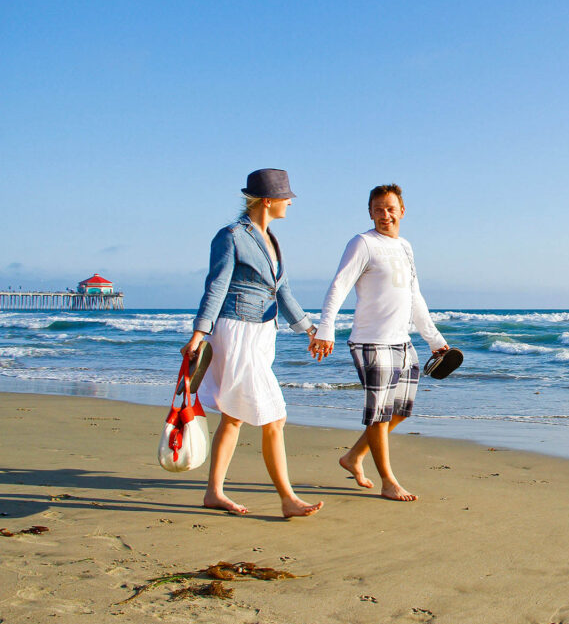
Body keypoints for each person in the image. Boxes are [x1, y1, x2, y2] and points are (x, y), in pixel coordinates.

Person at [181, 168, 323, 518]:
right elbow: (215, 287)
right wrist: (199, 334)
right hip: (236, 331)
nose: (290, 202)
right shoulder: (230, 236)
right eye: (286, 196)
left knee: (233, 417)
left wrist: (309, 329)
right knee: (275, 417)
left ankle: (213, 492)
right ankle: (288, 498)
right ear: (268, 200)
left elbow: (283, 291)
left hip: (262, 334)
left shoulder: (272, 239)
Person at [309, 183, 448, 502]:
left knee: (400, 411)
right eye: (378, 209)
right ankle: (388, 480)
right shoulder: (362, 244)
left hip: (403, 343)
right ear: (370, 212)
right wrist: (326, 327)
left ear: (402, 210)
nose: (385, 214)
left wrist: (434, 339)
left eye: (390, 208)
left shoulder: (406, 247)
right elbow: (339, 285)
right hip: (371, 342)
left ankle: (353, 457)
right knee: (379, 414)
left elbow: (415, 297)